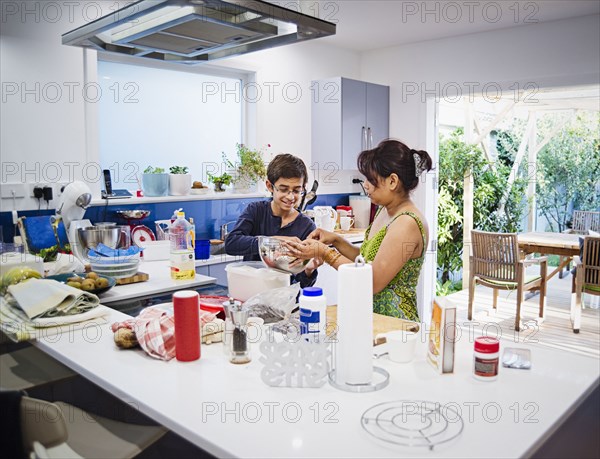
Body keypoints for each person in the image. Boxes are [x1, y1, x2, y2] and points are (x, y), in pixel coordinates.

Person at [284, 139, 432, 320]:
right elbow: (366, 259)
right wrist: (335, 241)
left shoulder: (407, 223)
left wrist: (325, 253)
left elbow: (373, 280)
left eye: (371, 179)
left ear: (392, 181)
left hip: (395, 322)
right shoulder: (384, 211)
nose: (366, 185)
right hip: (373, 316)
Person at [224, 153, 321, 287]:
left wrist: (310, 270)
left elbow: (303, 285)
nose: (290, 196)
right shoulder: (256, 210)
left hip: (285, 299)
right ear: (270, 186)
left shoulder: (307, 226)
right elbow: (231, 244)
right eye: (283, 189)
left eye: (297, 191)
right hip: (251, 292)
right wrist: (271, 242)